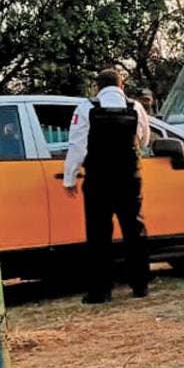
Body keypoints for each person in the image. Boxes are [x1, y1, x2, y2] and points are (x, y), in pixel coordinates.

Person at [63, 68, 152, 304]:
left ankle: (100, 291)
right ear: (121, 86)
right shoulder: (136, 107)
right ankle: (140, 285)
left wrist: (70, 178)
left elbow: (77, 146)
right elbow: (144, 139)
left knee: (98, 233)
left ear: (97, 87)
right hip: (129, 177)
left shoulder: (86, 108)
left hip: (99, 178)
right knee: (135, 229)